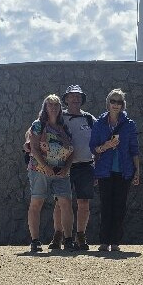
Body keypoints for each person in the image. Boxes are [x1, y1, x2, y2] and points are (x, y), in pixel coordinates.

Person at [89, 88, 140, 252]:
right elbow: (93, 148)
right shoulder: (99, 124)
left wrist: (137, 171)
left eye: (119, 102)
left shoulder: (129, 125)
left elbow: (134, 149)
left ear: (123, 105)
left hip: (124, 171)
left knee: (119, 206)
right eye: (113, 101)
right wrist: (106, 146)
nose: (116, 104)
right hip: (105, 171)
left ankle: (115, 242)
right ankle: (104, 241)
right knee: (106, 206)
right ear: (108, 103)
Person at [26, 95, 74, 253]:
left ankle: (68, 239)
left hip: (60, 170)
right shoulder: (38, 125)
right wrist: (45, 165)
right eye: (50, 105)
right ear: (45, 107)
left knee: (65, 202)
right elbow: (33, 147)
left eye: (56, 105)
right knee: (36, 202)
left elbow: (72, 150)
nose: (53, 108)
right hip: (40, 170)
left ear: (60, 108)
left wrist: (67, 167)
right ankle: (35, 240)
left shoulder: (64, 127)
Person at [60, 85, 96, 250]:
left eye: (78, 96)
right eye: (72, 96)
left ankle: (80, 235)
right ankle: (59, 235)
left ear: (82, 99)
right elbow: (39, 127)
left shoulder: (89, 119)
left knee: (84, 202)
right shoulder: (59, 117)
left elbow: (100, 137)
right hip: (64, 167)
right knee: (61, 203)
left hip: (86, 166)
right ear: (66, 99)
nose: (75, 99)